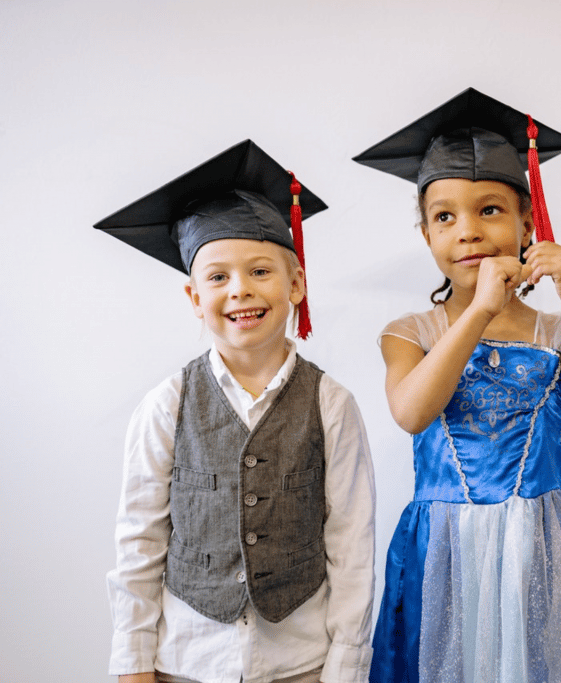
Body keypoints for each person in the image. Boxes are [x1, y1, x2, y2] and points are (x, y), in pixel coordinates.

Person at [353, 88, 561, 683]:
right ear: (427, 236)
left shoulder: (556, 333)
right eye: (445, 216)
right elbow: (410, 411)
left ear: (528, 224)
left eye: (491, 211)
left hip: (535, 549)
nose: (468, 231)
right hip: (441, 550)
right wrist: (478, 310)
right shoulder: (411, 332)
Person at [97, 140, 376, 683]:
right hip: (187, 661)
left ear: (297, 283)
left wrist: (346, 667)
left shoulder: (332, 404)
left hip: (303, 663)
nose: (240, 290)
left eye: (260, 271)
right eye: (218, 277)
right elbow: (140, 542)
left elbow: (352, 546)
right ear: (194, 298)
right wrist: (132, 665)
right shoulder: (166, 404)